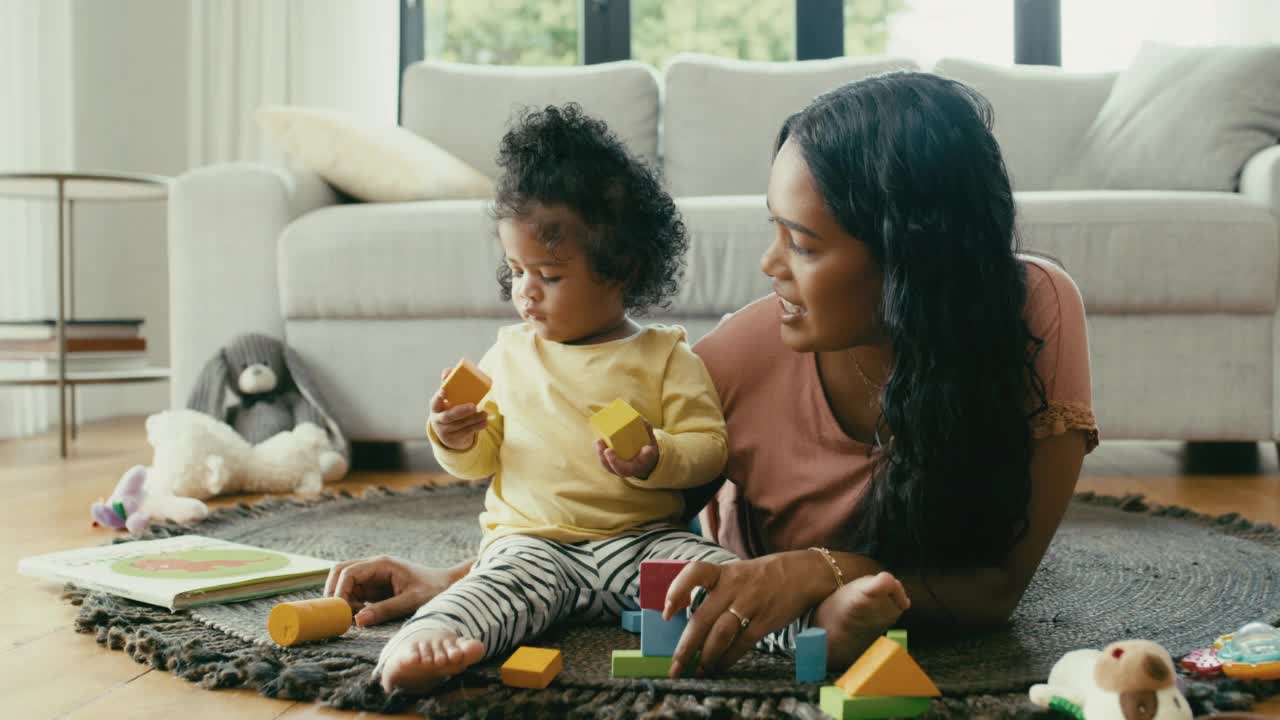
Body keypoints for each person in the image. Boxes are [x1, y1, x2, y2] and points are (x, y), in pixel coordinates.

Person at [328, 71, 1095, 684]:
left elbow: (996, 587)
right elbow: (602, 524)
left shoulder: (1031, 310)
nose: (769, 267)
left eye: (801, 243)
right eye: (774, 230)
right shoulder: (736, 360)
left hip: (828, 597)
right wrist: (452, 579)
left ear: (910, 256)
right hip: (707, 571)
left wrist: (819, 569)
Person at [336, 103, 750, 694]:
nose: (526, 293)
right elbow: (483, 459)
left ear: (621, 269)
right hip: (533, 543)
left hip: (640, 539)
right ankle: (423, 640)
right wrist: (456, 438)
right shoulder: (507, 355)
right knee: (488, 587)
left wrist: (656, 457)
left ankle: (814, 619)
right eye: (515, 270)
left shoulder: (665, 357)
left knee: (722, 576)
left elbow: (710, 449)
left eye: (549, 276)